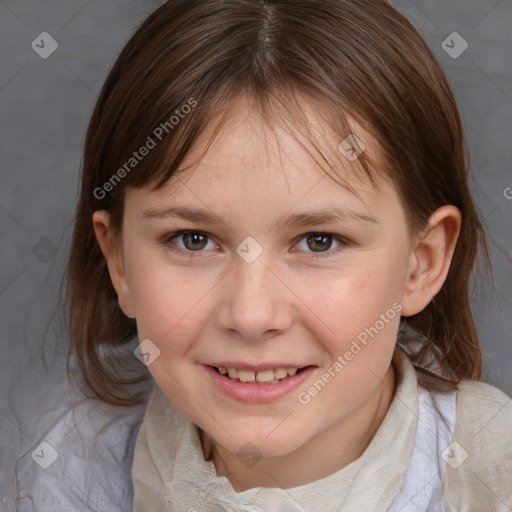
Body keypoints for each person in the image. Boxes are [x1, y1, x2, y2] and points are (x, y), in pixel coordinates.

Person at [10, 1, 511, 511]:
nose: (251, 316)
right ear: (119, 262)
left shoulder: (494, 479)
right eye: (193, 239)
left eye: (319, 240)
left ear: (420, 263)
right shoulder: (69, 468)